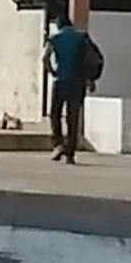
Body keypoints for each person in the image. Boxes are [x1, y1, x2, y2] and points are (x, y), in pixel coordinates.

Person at [45, 10, 100, 162]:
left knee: (55, 113)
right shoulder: (82, 38)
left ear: (58, 25)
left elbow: (45, 58)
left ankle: (58, 144)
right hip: (78, 82)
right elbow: (91, 59)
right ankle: (70, 153)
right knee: (73, 117)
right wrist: (91, 79)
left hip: (61, 81)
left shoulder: (55, 38)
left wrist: (53, 71)